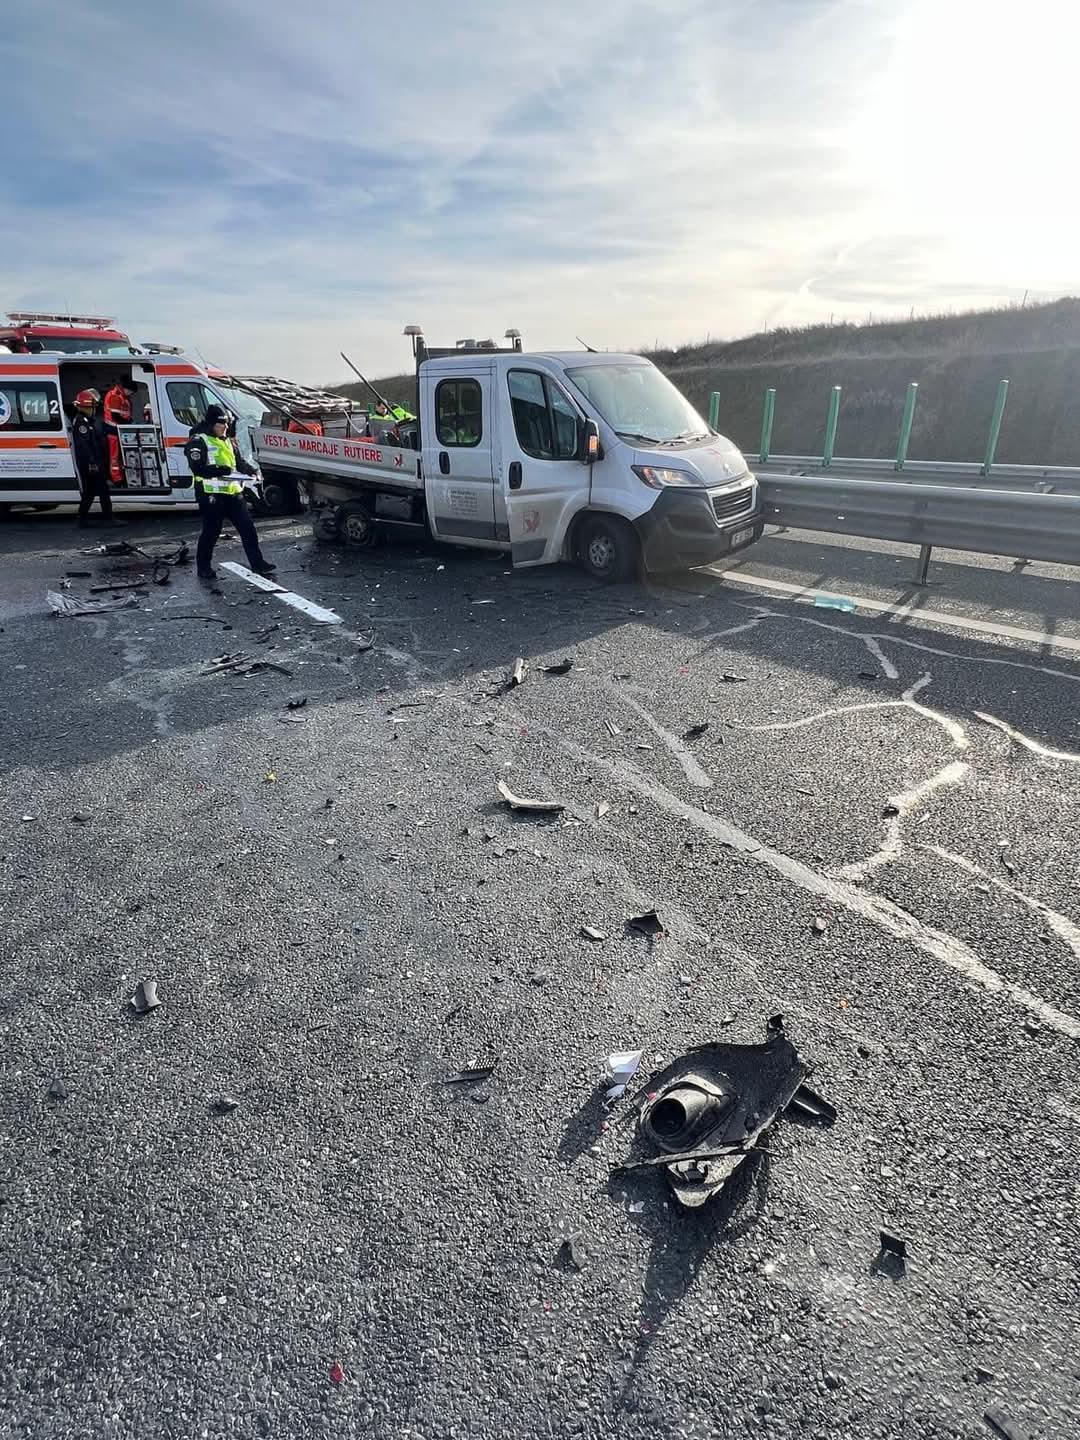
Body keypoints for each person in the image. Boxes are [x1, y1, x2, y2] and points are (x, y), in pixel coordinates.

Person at [185, 405, 276, 581]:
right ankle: (203, 568)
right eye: (221, 424)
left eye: (227, 424)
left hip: (233, 493)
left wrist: (251, 471)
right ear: (212, 424)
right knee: (211, 532)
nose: (226, 427)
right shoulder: (198, 441)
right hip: (210, 494)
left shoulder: (227, 440)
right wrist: (221, 470)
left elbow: (238, 462)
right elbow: (197, 468)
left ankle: (258, 564)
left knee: (248, 528)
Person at [71, 390, 126, 528]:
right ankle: (107, 518)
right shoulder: (81, 422)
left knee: (90, 492)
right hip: (90, 463)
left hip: (94, 462)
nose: (94, 410)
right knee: (101, 490)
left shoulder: (87, 421)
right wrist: (92, 463)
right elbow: (84, 445)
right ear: (84, 407)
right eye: (92, 407)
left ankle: (82, 519)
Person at [102, 376, 138, 483]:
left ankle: (120, 476)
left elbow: (124, 414)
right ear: (126, 389)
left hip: (118, 430)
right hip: (113, 431)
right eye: (131, 392)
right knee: (114, 458)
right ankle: (116, 479)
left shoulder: (122, 397)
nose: (131, 394)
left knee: (119, 457)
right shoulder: (115, 396)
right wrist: (129, 424)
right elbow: (115, 416)